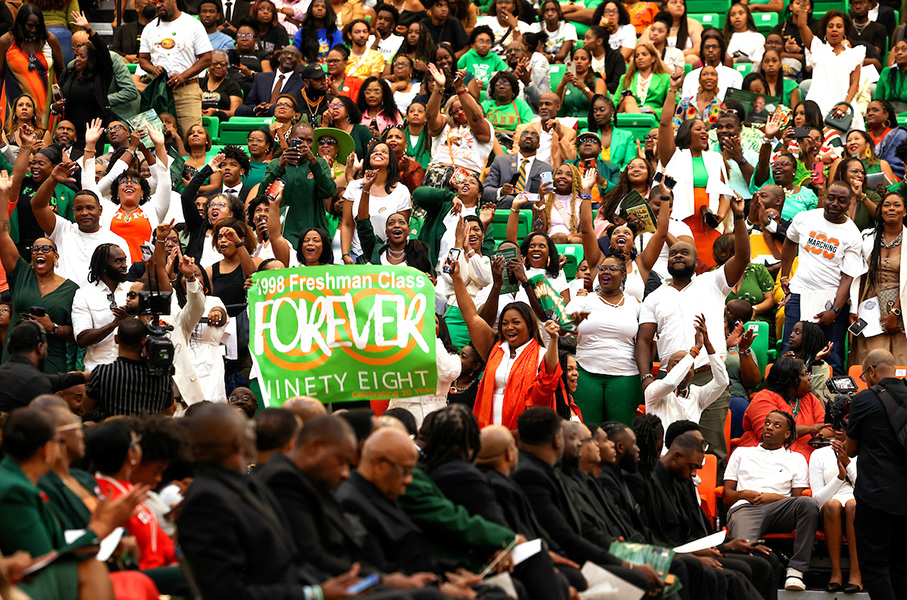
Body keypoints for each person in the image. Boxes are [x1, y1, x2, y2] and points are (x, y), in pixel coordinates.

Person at [177, 404, 379, 600]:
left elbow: (291, 561)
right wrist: (316, 594)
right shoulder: (207, 500)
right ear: (240, 442)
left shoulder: (244, 484)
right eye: (249, 429)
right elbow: (227, 592)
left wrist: (341, 584)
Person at [0, 407, 146, 600]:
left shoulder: (16, 479)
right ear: (47, 449)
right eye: (58, 441)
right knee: (91, 567)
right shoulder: (15, 490)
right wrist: (99, 529)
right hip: (26, 586)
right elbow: (45, 562)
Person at [511, 408, 661, 593]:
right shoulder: (531, 474)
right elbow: (565, 536)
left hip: (578, 552)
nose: (577, 446)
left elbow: (584, 528)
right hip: (563, 560)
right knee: (639, 579)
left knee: (666, 567)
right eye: (575, 440)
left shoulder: (548, 471)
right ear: (558, 440)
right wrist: (625, 563)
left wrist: (615, 547)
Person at [724, 409, 820, 591]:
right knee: (744, 549)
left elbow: (797, 498)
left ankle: (795, 571)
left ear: (787, 434)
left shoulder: (797, 458)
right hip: (746, 507)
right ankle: (744, 588)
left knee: (808, 504)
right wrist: (744, 494)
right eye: (767, 423)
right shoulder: (741, 453)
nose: (769, 427)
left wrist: (775, 498)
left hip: (780, 508)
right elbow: (727, 495)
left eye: (777, 425)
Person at [779, 180, 863, 374]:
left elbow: (848, 277)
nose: (835, 204)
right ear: (824, 198)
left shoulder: (852, 234)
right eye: (831, 198)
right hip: (799, 295)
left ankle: (832, 402)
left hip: (830, 300)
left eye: (842, 200)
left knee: (831, 357)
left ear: (850, 203)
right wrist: (784, 274)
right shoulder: (804, 218)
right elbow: (790, 242)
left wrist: (835, 309)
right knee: (790, 352)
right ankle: (783, 399)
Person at [0, 173, 78, 375]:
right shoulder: (22, 274)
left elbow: (75, 332)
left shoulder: (71, 289)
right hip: (14, 362)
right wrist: (2, 196)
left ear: (56, 257)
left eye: (45, 250)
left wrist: (52, 327)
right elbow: (3, 234)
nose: (39, 253)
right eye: (35, 250)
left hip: (50, 363)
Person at [846, 349, 907, 600]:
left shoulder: (864, 400)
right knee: (903, 568)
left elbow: (851, 450)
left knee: (875, 567)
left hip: (876, 496)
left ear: (871, 370)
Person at [660, 70, 735, 268]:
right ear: (687, 132)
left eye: (706, 129)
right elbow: (665, 123)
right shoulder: (674, 155)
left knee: (710, 270)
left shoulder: (715, 158)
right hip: (680, 224)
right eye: (698, 128)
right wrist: (673, 89)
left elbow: (724, 193)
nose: (705, 131)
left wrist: (719, 214)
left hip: (709, 228)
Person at [85, 419, 179, 572]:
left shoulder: (127, 488)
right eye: (136, 442)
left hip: (159, 567)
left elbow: (161, 540)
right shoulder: (107, 493)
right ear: (131, 454)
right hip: (143, 573)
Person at [644, 315, 729, 438]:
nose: (684, 370)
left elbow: (722, 382)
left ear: (693, 372)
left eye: (688, 367)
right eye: (676, 365)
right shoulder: (654, 390)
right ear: (668, 370)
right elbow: (671, 383)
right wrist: (695, 350)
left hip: (690, 452)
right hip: (662, 454)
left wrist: (708, 344)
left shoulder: (697, 394)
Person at [138, 0, 213, 138]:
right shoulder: (149, 28)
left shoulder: (192, 24)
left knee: (191, 138)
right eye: (154, 3)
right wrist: (153, 69)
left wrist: (183, 76)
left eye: (161, 1)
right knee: (155, 139)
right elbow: (143, 59)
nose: (158, 5)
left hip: (187, 90)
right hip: (159, 91)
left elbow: (207, 58)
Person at [259, 121, 338, 248]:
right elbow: (263, 196)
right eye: (300, 139)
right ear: (290, 139)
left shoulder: (320, 164)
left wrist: (313, 162)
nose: (305, 144)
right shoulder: (275, 164)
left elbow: (329, 191)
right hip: (284, 236)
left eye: (309, 141)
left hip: (315, 236)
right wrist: (280, 166)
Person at [851, 192, 907, 364]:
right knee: (871, 357)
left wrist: (895, 312)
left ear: (905, 212)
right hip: (871, 304)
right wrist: (855, 308)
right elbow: (860, 275)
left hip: (903, 305)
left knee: (901, 360)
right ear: (880, 211)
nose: (891, 208)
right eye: (887, 205)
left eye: (897, 205)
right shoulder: (867, 238)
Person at [810, 411, 861, 593]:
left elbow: (865, 489)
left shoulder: (865, 451)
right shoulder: (819, 455)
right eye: (836, 425)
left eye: (845, 426)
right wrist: (839, 478)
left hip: (858, 502)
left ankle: (856, 572)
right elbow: (817, 500)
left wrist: (847, 462)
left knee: (852, 505)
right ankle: (836, 572)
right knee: (832, 504)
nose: (839, 430)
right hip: (830, 508)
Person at [737, 356, 830, 458]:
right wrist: (809, 429)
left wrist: (820, 435)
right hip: (767, 456)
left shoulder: (809, 398)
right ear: (790, 379)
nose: (809, 377)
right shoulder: (763, 398)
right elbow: (767, 434)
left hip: (807, 456)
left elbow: (824, 425)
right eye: (804, 374)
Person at [82, 317, 174, 418]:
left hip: (115, 432)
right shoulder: (161, 375)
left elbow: (86, 407)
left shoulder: (103, 373)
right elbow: (169, 412)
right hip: (149, 431)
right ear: (144, 341)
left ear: (116, 339)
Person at [340, 142, 412, 262]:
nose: (378, 153)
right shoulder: (353, 186)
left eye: (384, 152)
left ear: (391, 160)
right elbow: (347, 224)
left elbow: (402, 230)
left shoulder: (401, 190)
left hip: (388, 258)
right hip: (357, 256)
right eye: (374, 151)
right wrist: (345, 255)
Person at [424, 63, 493, 187]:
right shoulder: (445, 123)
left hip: (466, 178)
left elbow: (476, 118)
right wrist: (439, 88)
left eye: (463, 108)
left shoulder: (484, 125)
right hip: (437, 174)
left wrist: (460, 89)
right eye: (454, 111)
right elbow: (430, 116)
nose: (460, 113)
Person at [796, 9, 865, 132]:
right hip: (818, 106)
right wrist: (803, 6)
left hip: (843, 108)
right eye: (830, 26)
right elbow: (801, 25)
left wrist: (845, 104)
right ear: (825, 29)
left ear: (845, 30)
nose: (834, 29)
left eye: (839, 26)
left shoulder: (855, 54)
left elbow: (854, 83)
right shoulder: (817, 48)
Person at [0, 4, 64, 128]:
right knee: (14, 144)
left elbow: (61, 72)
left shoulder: (50, 40)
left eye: (37, 26)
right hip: (13, 105)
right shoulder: (6, 41)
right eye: (30, 25)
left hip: (45, 106)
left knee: (44, 144)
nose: (34, 30)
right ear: (20, 23)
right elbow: (0, 75)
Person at [0, 321, 86, 411]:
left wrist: (86, 376)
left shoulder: (5, 372)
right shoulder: (36, 383)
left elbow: (55, 380)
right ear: (40, 347)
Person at [483, 128, 552, 209]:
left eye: (534, 135)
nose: (529, 136)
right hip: (506, 205)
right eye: (525, 134)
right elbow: (485, 191)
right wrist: (501, 191)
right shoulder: (501, 161)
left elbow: (549, 197)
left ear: (538, 145)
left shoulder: (546, 169)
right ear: (518, 143)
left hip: (532, 207)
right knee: (509, 199)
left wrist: (533, 196)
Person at [235, 44, 304, 117]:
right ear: (279, 58)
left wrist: (271, 108)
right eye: (286, 53)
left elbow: (298, 108)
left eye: (294, 55)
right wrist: (256, 108)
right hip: (259, 117)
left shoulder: (301, 83)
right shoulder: (261, 78)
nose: (289, 56)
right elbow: (249, 103)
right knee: (240, 109)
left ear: (298, 62)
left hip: (284, 119)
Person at [681, 29, 744, 101]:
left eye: (714, 47)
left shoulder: (735, 76)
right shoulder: (690, 76)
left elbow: (736, 105)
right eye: (707, 47)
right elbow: (685, 103)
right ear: (702, 51)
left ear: (721, 50)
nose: (710, 50)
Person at [613, 43, 670, 118]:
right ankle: (641, 123)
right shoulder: (625, 78)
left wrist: (655, 111)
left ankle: (640, 123)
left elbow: (672, 105)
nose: (640, 58)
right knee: (629, 99)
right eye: (636, 56)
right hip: (627, 115)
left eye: (644, 54)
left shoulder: (665, 79)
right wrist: (621, 102)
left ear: (653, 58)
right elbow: (614, 102)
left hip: (653, 118)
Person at [555, 47, 607, 119]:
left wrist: (583, 88)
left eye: (583, 59)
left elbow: (601, 104)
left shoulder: (598, 81)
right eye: (576, 59)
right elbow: (556, 105)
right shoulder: (567, 83)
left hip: (590, 120)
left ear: (590, 62)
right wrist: (562, 84)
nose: (579, 61)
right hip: (569, 121)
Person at [865, 99, 907, 179]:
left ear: (886, 115)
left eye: (875, 110)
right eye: (868, 111)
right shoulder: (863, 138)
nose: (870, 114)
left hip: (895, 179)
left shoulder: (899, 134)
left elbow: (900, 166)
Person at [672, 66, 722, 131]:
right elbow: (676, 128)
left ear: (717, 80)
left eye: (713, 74)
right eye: (705, 74)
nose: (709, 77)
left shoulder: (721, 106)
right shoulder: (685, 102)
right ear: (699, 80)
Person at [200, 50, 242, 120]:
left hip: (222, 120)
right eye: (215, 63)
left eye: (222, 64)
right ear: (208, 65)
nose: (218, 66)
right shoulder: (199, 83)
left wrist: (215, 111)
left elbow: (235, 112)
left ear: (226, 66)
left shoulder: (232, 85)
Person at [874, 39, 907, 113]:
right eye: (896, 50)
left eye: (904, 49)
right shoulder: (887, 72)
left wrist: (900, 116)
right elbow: (877, 100)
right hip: (888, 114)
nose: (899, 53)